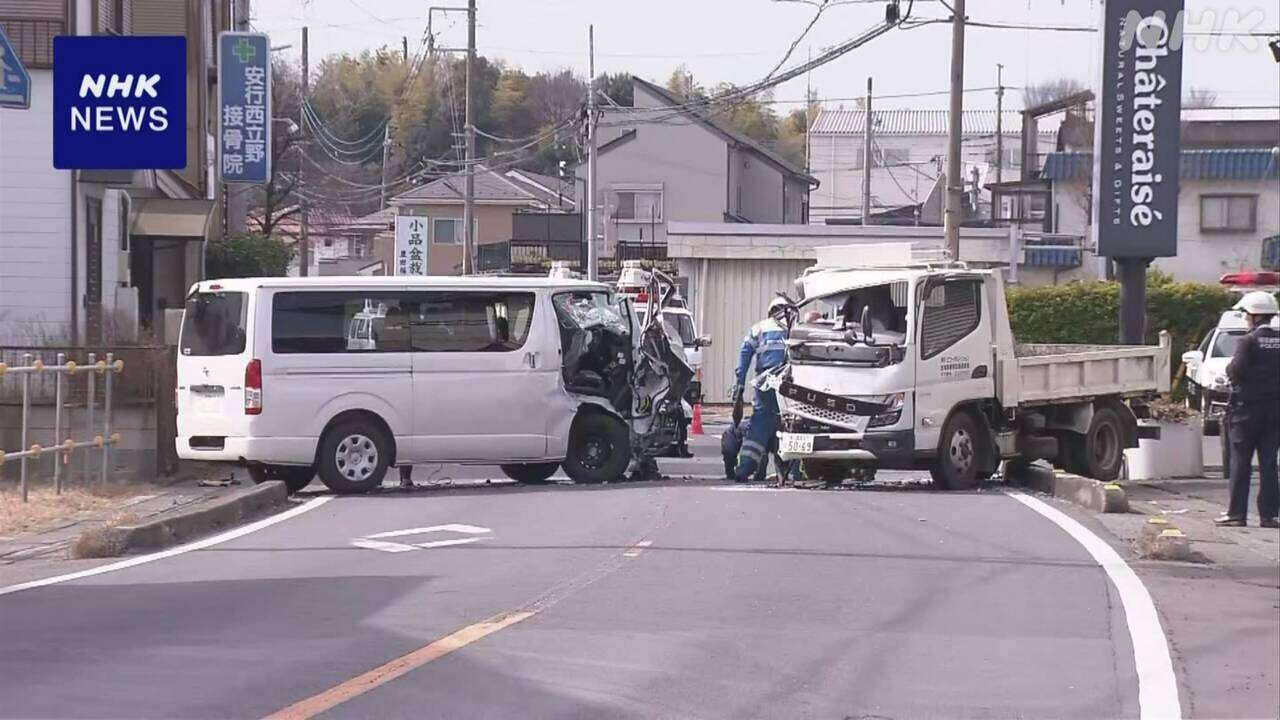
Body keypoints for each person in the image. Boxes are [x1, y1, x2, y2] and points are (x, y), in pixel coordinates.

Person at [1216, 291, 1280, 528]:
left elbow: (1234, 371)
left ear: (1254, 316)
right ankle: (1270, 515)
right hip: (1275, 411)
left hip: (1247, 411)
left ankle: (1236, 514)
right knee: (1269, 462)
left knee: (1241, 462)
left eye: (1246, 315)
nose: (1245, 319)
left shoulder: (1248, 341)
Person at [731, 298, 790, 482]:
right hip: (790, 385)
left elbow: (744, 355)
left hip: (766, 384)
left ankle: (744, 469)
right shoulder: (794, 328)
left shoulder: (759, 328)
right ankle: (793, 471)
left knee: (758, 427)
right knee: (791, 426)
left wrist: (739, 385)